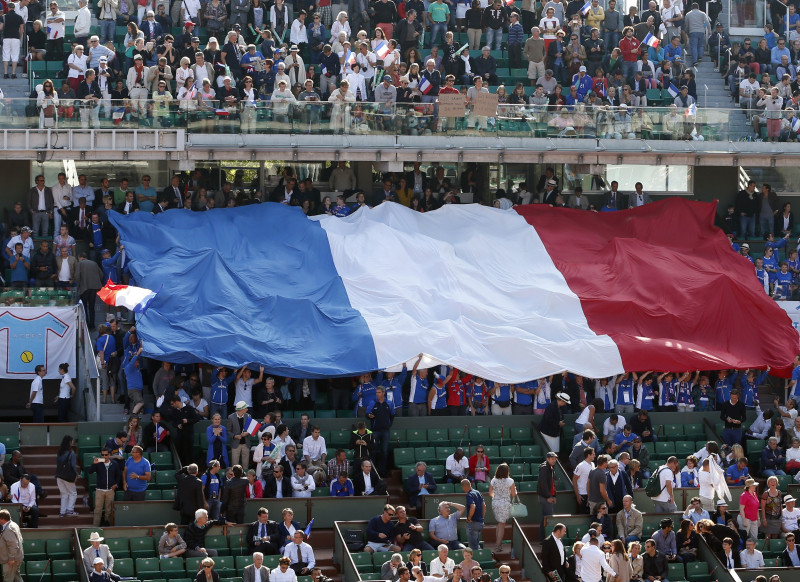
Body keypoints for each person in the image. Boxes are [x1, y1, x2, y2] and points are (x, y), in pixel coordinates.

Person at [489, 463, 517, 553]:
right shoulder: (510, 481)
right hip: (505, 504)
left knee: (500, 524)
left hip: (495, 503)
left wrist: (497, 498)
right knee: (502, 525)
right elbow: (513, 494)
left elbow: (490, 493)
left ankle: (498, 544)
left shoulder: (493, 480)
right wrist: (514, 491)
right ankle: (498, 546)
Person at [55, 435, 78, 518]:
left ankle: (62, 511)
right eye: (71, 441)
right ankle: (70, 510)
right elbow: (73, 466)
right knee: (73, 493)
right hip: (68, 476)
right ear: (69, 442)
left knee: (64, 494)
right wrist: (76, 475)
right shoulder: (71, 452)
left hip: (59, 475)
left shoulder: (59, 452)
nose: (72, 443)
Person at [537, 452, 558, 539]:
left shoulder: (550, 468)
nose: (554, 460)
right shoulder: (545, 468)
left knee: (545, 519)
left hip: (547, 496)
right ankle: (545, 539)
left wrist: (554, 496)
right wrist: (548, 496)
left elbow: (551, 484)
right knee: (548, 519)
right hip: (545, 497)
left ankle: (543, 538)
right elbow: (543, 484)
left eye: (555, 459)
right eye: (552, 459)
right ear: (547, 459)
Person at [0, 509, 23, 582]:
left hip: (11, 560)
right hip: (17, 557)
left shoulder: (8, 529)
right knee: (17, 578)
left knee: (8, 579)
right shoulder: (14, 524)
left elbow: (13, 545)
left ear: (2, 519)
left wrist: (11, 558)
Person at [462, 479, 485, 550]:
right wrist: (482, 517)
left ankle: (476, 560)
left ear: (463, 486)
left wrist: (469, 518)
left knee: (473, 547)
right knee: (476, 544)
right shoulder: (477, 492)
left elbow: (473, 506)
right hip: (480, 523)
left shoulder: (469, 495)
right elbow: (484, 505)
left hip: (473, 524)